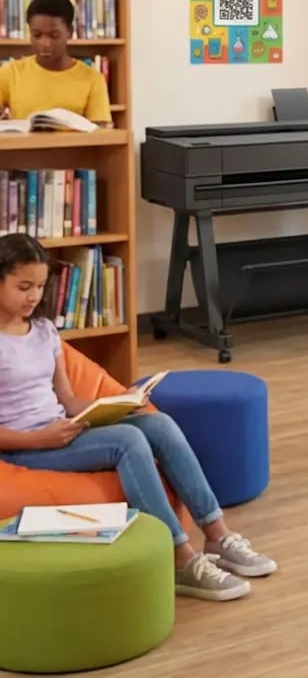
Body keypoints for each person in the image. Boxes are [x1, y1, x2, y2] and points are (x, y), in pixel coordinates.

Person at [0, 233, 276, 601]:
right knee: (128, 442)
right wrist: (40, 439)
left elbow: (66, 398)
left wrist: (117, 406)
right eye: (23, 287)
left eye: (39, 286)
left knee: (157, 423)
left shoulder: (45, 332)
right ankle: (179, 557)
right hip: (26, 446)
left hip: (62, 430)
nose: (33, 296)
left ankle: (218, 535)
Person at [0, 0, 111, 125]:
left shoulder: (92, 80)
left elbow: (102, 136)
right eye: (37, 35)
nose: (45, 43)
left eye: (54, 35)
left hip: (76, 146)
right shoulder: (11, 73)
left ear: (69, 31)